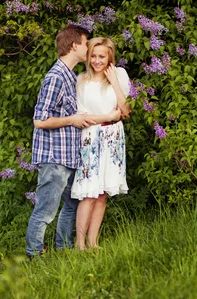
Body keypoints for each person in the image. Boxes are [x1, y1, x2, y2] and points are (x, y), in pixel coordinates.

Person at [25, 26, 122, 257]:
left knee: (74, 204)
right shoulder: (55, 77)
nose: (88, 47)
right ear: (74, 46)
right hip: (53, 156)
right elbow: (39, 120)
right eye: (85, 42)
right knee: (46, 210)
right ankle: (34, 254)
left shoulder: (69, 76)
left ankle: (64, 248)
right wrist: (73, 119)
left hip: (68, 156)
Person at [71, 37, 131, 250]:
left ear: (110, 57)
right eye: (93, 56)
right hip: (90, 139)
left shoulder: (120, 75)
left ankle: (93, 242)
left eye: (102, 56)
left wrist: (113, 80)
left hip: (113, 139)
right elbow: (81, 116)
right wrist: (107, 115)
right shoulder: (81, 80)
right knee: (89, 192)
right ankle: (80, 245)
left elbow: (126, 111)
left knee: (102, 193)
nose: (97, 60)